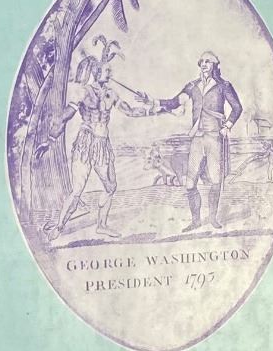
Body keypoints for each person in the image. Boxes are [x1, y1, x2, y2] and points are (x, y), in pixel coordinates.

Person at [37, 36, 151, 238]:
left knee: (111, 186)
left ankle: (102, 225)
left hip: (102, 146)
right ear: (97, 72)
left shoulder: (111, 94)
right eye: (107, 70)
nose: (110, 73)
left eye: (110, 70)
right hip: (86, 143)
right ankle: (59, 228)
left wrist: (149, 106)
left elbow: (131, 112)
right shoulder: (84, 93)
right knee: (77, 190)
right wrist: (49, 140)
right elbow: (65, 116)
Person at [159, 51, 242, 231]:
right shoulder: (192, 86)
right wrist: (153, 101)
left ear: (214, 65)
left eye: (208, 61)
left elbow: (237, 108)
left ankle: (212, 218)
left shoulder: (223, 86)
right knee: (190, 183)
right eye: (202, 61)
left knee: (215, 180)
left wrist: (227, 126)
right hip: (197, 138)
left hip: (214, 138)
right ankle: (196, 220)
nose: (204, 64)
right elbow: (174, 102)